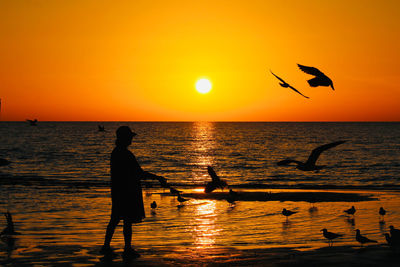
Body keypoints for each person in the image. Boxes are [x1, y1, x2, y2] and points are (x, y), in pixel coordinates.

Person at [101, 126, 167, 258]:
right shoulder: (125, 154)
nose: (131, 138)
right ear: (125, 138)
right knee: (126, 220)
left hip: (119, 190)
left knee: (116, 219)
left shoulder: (116, 152)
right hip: (127, 191)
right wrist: (157, 177)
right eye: (130, 136)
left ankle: (108, 246)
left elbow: (133, 173)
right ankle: (126, 248)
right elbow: (139, 173)